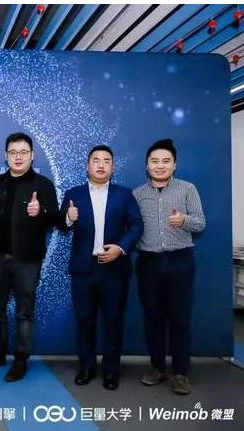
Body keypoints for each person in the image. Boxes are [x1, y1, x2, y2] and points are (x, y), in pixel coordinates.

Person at [0, 132, 60, 382]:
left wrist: (41, 211)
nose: (18, 157)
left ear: (32, 155)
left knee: (24, 312)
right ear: (6, 156)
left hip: (27, 261)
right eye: (13, 152)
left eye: (23, 152)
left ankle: (21, 360)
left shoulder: (43, 185)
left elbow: (57, 219)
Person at [59, 144, 143, 391]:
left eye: (107, 161)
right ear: (88, 165)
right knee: (84, 320)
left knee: (113, 322)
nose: (101, 165)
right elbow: (62, 226)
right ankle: (86, 367)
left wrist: (121, 247)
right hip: (83, 270)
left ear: (112, 167)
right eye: (96, 160)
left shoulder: (124, 194)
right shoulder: (74, 193)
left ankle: (111, 371)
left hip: (114, 269)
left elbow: (137, 225)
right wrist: (69, 218)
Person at [133, 138, 205, 395]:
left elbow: (200, 223)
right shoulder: (137, 194)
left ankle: (181, 373)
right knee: (152, 317)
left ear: (174, 164)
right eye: (154, 161)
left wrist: (183, 220)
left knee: (179, 318)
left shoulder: (187, 189)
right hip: (148, 263)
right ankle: (156, 367)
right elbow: (131, 228)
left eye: (166, 161)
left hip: (180, 261)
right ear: (147, 165)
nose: (160, 165)